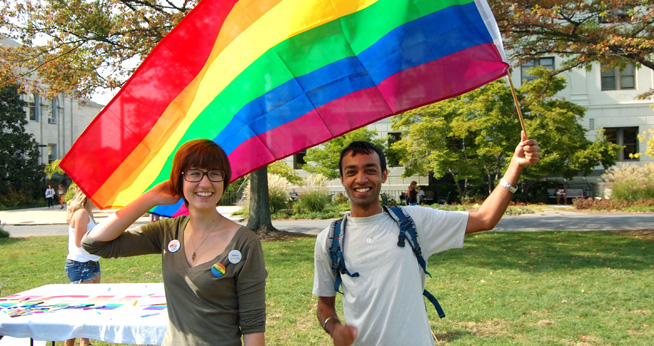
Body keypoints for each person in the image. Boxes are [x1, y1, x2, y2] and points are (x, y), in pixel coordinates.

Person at [313, 132, 540, 346]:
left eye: (370, 170)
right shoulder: (329, 239)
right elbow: (324, 306)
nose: (361, 178)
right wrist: (334, 328)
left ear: (383, 175)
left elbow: (485, 219)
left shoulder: (414, 221)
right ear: (342, 179)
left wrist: (515, 166)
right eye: (351, 172)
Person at [82, 139, 267, 346]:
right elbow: (94, 243)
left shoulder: (244, 244)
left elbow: (253, 326)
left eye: (215, 173)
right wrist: (150, 198)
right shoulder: (168, 232)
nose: (205, 183)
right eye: (194, 173)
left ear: (224, 181)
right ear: (180, 181)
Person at [65, 187, 101, 346]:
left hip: (92, 264)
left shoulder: (88, 213)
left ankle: (85, 342)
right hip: (80, 265)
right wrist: (101, 242)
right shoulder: (81, 213)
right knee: (80, 309)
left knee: (88, 306)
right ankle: (70, 343)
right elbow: (79, 242)